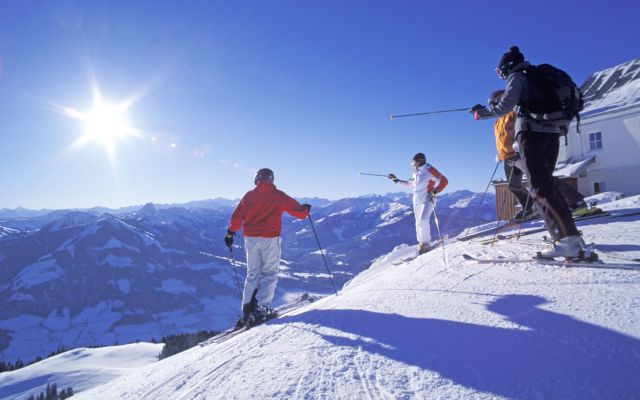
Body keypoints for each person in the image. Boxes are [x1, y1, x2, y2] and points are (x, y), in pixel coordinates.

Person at [472, 46, 586, 259]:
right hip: (552, 133)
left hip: (531, 135)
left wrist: (482, 113)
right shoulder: (541, 76)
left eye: (500, 71)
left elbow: (505, 106)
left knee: (540, 188)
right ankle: (566, 236)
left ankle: (568, 241)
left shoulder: (518, 77)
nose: (501, 75)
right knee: (544, 187)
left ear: (506, 67)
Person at [472, 90, 589, 223]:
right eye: (491, 103)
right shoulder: (498, 120)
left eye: (496, 101)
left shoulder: (515, 111)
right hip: (507, 158)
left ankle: (577, 203)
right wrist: (478, 112)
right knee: (513, 185)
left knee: (542, 178)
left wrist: (520, 142)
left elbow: (525, 124)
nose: (493, 105)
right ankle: (530, 209)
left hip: (520, 153)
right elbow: (501, 136)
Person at [225, 168, 311, 325]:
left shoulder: (249, 196)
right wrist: (305, 209)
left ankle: (247, 310)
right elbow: (300, 213)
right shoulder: (278, 196)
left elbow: (237, 217)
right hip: (270, 239)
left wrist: (230, 233)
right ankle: (261, 308)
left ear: (257, 179)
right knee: (269, 273)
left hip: (250, 239)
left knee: (252, 274)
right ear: (271, 179)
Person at [388, 153, 448, 255]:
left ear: (420, 161)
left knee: (423, 219)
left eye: (413, 162)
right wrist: (395, 180)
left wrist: (434, 191)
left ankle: (426, 243)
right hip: (417, 200)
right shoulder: (415, 172)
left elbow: (444, 181)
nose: (412, 164)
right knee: (418, 222)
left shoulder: (429, 169)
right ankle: (421, 243)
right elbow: (409, 184)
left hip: (428, 199)